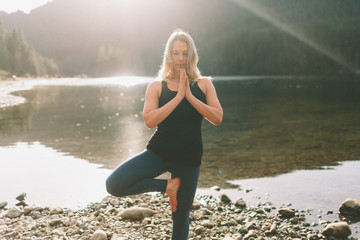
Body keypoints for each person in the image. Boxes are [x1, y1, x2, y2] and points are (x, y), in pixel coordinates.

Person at [105, 29, 223, 240]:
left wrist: (190, 97)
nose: (180, 58)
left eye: (185, 53)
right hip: (159, 153)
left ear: (191, 55)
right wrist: (178, 98)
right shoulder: (156, 87)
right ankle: (168, 187)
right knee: (113, 184)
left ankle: (173, 190)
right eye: (175, 52)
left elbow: (217, 117)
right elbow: (150, 121)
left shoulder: (204, 84)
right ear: (169, 55)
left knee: (180, 217)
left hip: (189, 160)